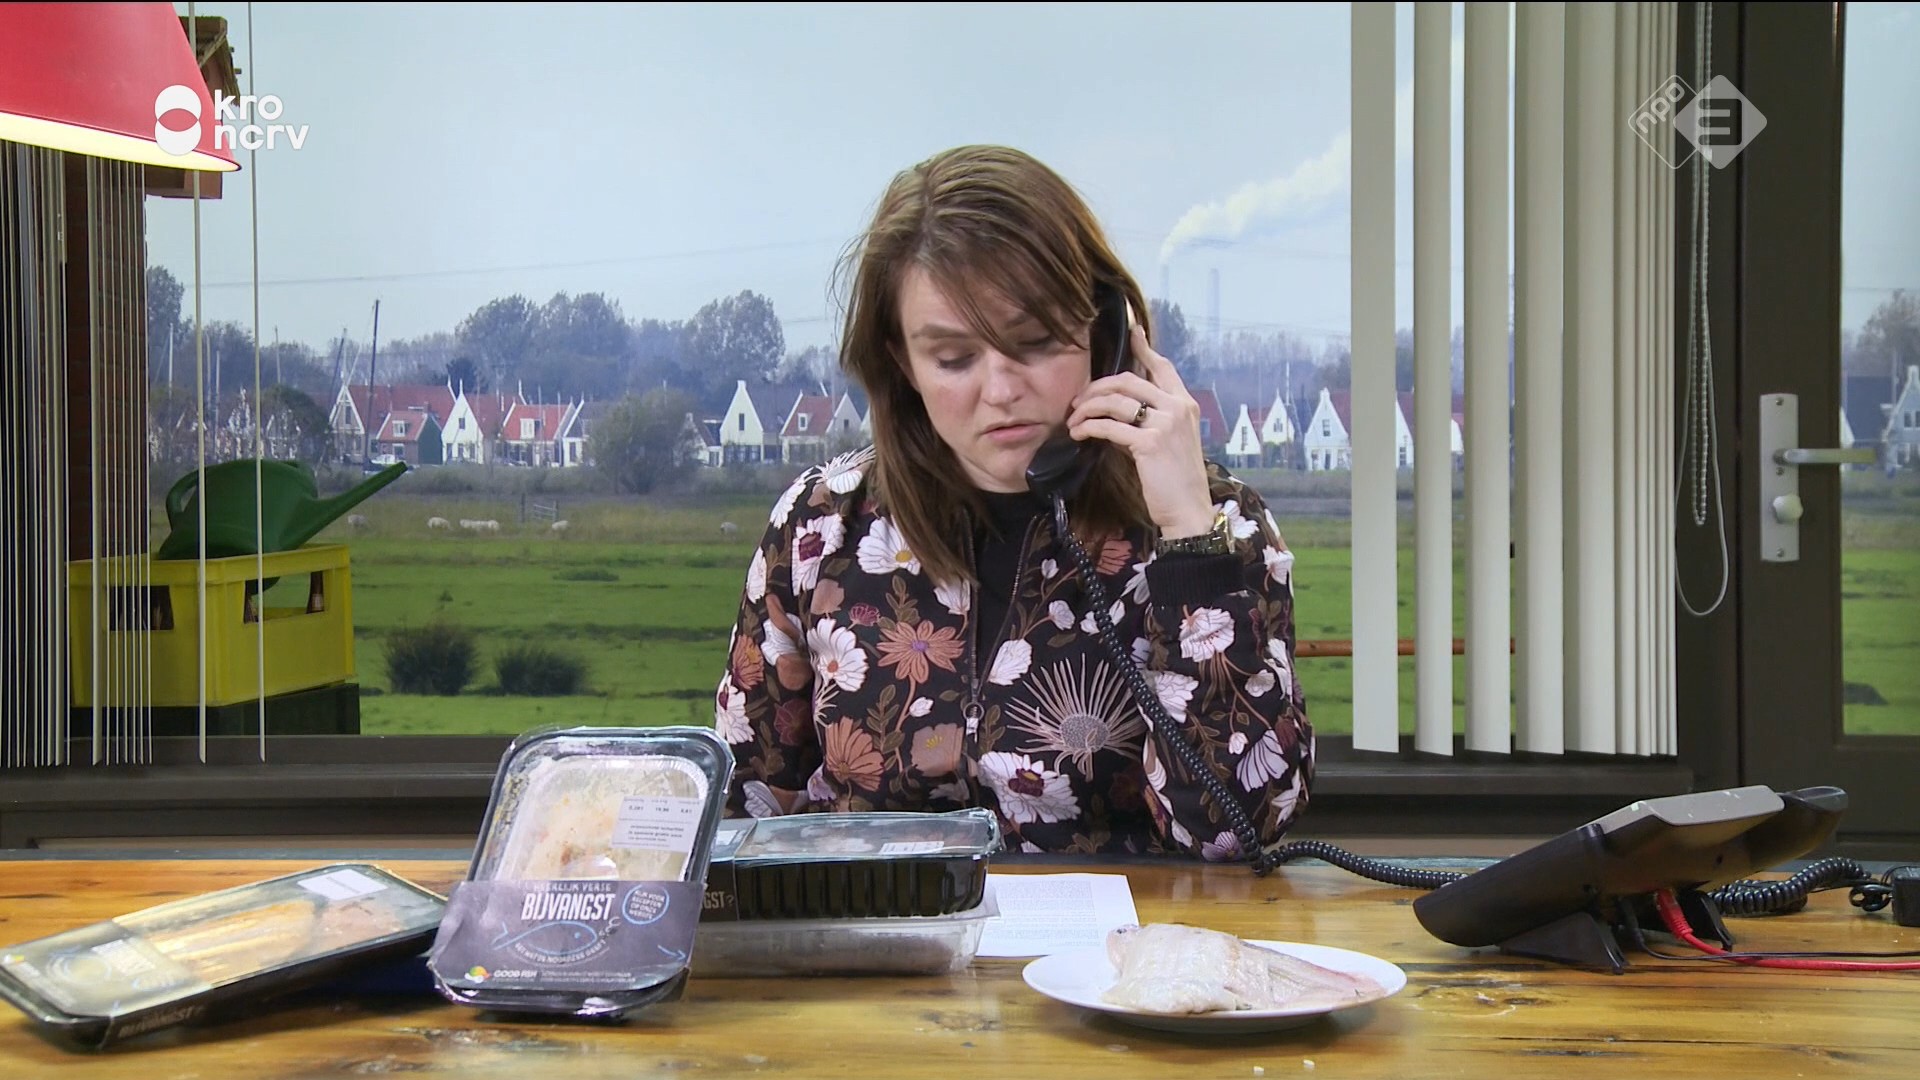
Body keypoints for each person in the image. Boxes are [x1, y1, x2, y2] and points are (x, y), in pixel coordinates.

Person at [713, 145, 1313, 861]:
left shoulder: (1216, 525)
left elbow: (1236, 834)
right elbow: (741, 815)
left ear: (1102, 333)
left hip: (1130, 933)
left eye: (1033, 343)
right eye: (954, 359)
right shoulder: (819, 530)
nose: (1000, 391)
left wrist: (1189, 542)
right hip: (876, 929)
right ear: (902, 361)